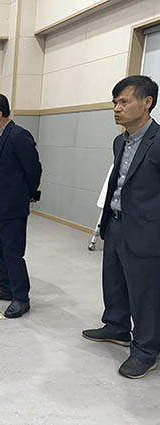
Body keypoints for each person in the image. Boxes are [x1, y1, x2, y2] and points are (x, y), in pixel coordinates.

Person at [82, 75, 160, 379]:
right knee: (114, 280)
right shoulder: (120, 141)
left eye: (124, 102)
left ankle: (146, 351)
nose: (116, 108)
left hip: (146, 229)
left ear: (147, 103)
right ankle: (116, 326)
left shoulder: (157, 141)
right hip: (115, 222)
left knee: (145, 293)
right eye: (115, 102)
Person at [0, 93, 42, 319]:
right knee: (1, 247)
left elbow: (33, 169)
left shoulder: (18, 136)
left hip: (12, 206)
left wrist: (26, 195)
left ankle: (21, 298)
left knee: (13, 252)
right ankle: (5, 287)